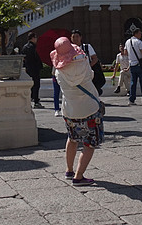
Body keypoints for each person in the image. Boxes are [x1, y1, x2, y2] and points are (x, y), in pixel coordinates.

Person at [51, 37, 102, 186]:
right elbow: (91, 75)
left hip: (69, 110)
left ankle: (69, 170)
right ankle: (79, 176)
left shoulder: (59, 71)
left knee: (72, 139)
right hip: (89, 108)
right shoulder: (83, 63)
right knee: (89, 143)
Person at [71, 30, 103, 95]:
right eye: (73, 37)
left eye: (77, 37)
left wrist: (88, 66)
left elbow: (95, 58)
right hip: (75, 73)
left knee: (89, 88)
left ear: (80, 37)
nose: (75, 39)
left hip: (87, 72)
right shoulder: (70, 49)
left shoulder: (87, 47)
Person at [125, 28, 142, 105]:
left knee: (133, 83)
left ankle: (131, 100)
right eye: (139, 33)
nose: (140, 35)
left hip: (132, 64)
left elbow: (125, 53)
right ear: (136, 34)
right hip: (140, 65)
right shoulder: (139, 42)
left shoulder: (127, 42)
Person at [21, 32, 43, 107]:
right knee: (36, 85)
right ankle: (36, 100)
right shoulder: (33, 47)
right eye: (35, 37)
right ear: (33, 38)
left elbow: (23, 58)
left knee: (30, 85)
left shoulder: (25, 47)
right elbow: (36, 58)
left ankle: (29, 99)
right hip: (35, 68)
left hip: (28, 68)